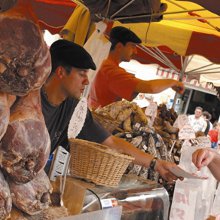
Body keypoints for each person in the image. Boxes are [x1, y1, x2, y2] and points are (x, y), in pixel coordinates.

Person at [41, 39, 182, 182]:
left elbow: (111, 142)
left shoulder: (74, 108)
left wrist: (156, 164)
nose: (87, 81)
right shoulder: (30, 100)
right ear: (61, 72)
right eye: (81, 74)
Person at [88, 26, 185, 109]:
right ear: (119, 46)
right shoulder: (111, 70)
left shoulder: (103, 63)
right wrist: (173, 82)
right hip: (98, 122)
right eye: (132, 46)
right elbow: (150, 87)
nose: (135, 51)